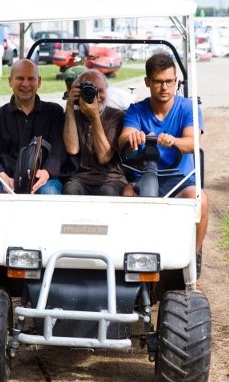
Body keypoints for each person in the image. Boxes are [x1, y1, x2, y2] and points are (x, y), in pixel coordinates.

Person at [118, 51, 209, 262]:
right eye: (159, 82)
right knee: (125, 196)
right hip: (142, 177)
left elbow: (193, 142)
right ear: (147, 82)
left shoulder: (188, 108)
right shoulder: (136, 111)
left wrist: (175, 141)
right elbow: (123, 138)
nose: (165, 88)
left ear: (176, 81)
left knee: (200, 199)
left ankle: (191, 262)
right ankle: (131, 259)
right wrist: (133, 136)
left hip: (180, 180)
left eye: (169, 81)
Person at [0, 58, 64, 202]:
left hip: (43, 179)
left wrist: (47, 172)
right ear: (10, 81)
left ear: (39, 82)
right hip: (8, 178)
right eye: (20, 78)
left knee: (49, 192)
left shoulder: (54, 112)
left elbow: (59, 149)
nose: (25, 84)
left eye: (31, 78)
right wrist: (3, 177)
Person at [62, 69, 127, 196]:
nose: (97, 96)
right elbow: (72, 149)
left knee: (107, 191)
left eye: (101, 91)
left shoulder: (116, 116)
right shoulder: (73, 115)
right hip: (81, 177)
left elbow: (104, 157)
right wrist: (70, 105)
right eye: (90, 90)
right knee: (70, 189)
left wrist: (94, 117)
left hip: (111, 178)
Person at [62, 66, 135, 111]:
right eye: (76, 88)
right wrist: (70, 104)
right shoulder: (73, 102)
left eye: (87, 85)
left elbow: (135, 100)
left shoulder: (112, 94)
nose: (86, 92)